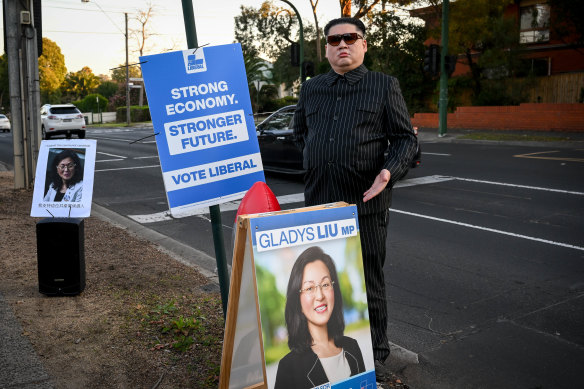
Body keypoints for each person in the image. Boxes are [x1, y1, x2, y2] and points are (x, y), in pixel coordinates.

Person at [292, 17, 418, 383]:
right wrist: (319, 163)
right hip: (319, 205)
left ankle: (375, 356)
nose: (342, 44)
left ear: (364, 45)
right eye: (334, 40)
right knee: (323, 285)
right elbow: (302, 133)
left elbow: (406, 140)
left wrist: (388, 171)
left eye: (350, 37)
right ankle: (325, 357)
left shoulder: (383, 85)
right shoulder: (312, 88)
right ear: (326, 48)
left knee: (367, 282)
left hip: (365, 206)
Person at [274, 246, 365, 389]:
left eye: (325, 284)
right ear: (297, 300)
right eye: (309, 288)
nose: (320, 296)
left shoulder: (352, 347)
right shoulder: (289, 367)